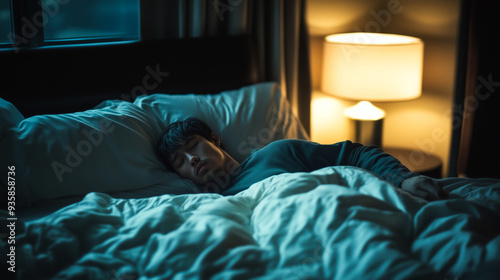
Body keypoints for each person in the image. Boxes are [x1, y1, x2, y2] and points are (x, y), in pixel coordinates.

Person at [157, 117, 448, 201]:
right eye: (180, 161)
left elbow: (355, 153)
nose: (192, 159)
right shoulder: (207, 205)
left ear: (214, 140)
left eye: (194, 146)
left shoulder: (278, 152)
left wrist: (404, 178)